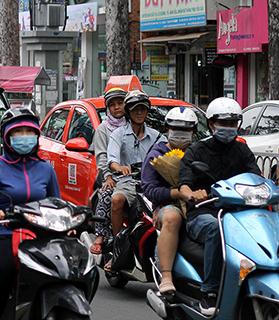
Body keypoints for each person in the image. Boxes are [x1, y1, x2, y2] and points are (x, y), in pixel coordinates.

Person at [0, 108, 61, 320]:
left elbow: (57, 203)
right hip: (4, 232)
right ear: (7, 137)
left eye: (29, 132)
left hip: (40, 233)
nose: (24, 137)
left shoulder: (45, 169)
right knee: (4, 269)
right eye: (18, 132)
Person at [179, 97, 259, 315]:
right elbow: (184, 185)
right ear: (212, 124)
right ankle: (210, 291)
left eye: (233, 123)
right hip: (205, 214)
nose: (229, 128)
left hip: (238, 214)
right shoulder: (196, 150)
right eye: (224, 123)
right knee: (217, 228)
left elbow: (256, 178)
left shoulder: (243, 151)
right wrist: (193, 194)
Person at [142, 107, 198, 296]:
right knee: (172, 218)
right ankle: (166, 276)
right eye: (176, 129)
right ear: (167, 130)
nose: (181, 134)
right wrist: (176, 193)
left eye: (186, 130)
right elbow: (149, 189)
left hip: (198, 205)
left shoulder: (200, 152)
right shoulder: (156, 155)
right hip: (166, 206)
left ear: (194, 132)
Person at [107, 90, 166, 244]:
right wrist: (119, 167)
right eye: (135, 109)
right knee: (117, 200)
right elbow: (112, 160)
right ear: (128, 112)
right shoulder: (118, 134)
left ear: (147, 111)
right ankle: (117, 246)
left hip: (151, 184)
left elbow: (170, 157)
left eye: (143, 109)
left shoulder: (158, 136)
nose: (139, 113)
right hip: (126, 183)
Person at [89, 87, 128, 254]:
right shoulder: (103, 129)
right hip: (112, 175)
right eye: (113, 105)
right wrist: (108, 177)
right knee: (106, 194)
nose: (117, 107)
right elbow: (102, 156)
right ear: (108, 109)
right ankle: (100, 236)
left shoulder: (133, 124)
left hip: (134, 176)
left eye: (120, 103)